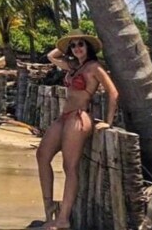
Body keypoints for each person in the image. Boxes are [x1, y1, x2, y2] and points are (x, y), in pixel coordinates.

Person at [35, 31, 119, 229]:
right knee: (42, 155)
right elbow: (51, 56)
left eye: (81, 44)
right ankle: (49, 207)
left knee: (69, 166)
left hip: (79, 117)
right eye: (73, 46)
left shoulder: (94, 67)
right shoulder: (74, 66)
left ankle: (63, 218)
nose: (77, 48)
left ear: (88, 47)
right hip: (64, 117)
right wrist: (66, 44)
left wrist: (108, 122)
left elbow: (113, 93)